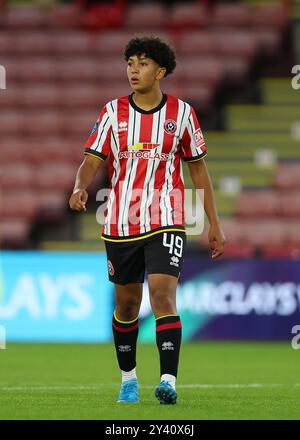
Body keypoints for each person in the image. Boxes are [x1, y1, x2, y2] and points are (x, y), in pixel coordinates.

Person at [69, 36, 225, 405]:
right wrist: (79, 186)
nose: (133, 70)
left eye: (142, 63)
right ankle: (128, 380)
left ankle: (168, 380)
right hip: (120, 221)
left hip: (167, 217)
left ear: (161, 70)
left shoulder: (183, 114)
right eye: (130, 63)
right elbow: (93, 159)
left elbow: (198, 172)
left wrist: (213, 224)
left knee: (162, 296)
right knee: (125, 306)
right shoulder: (112, 113)